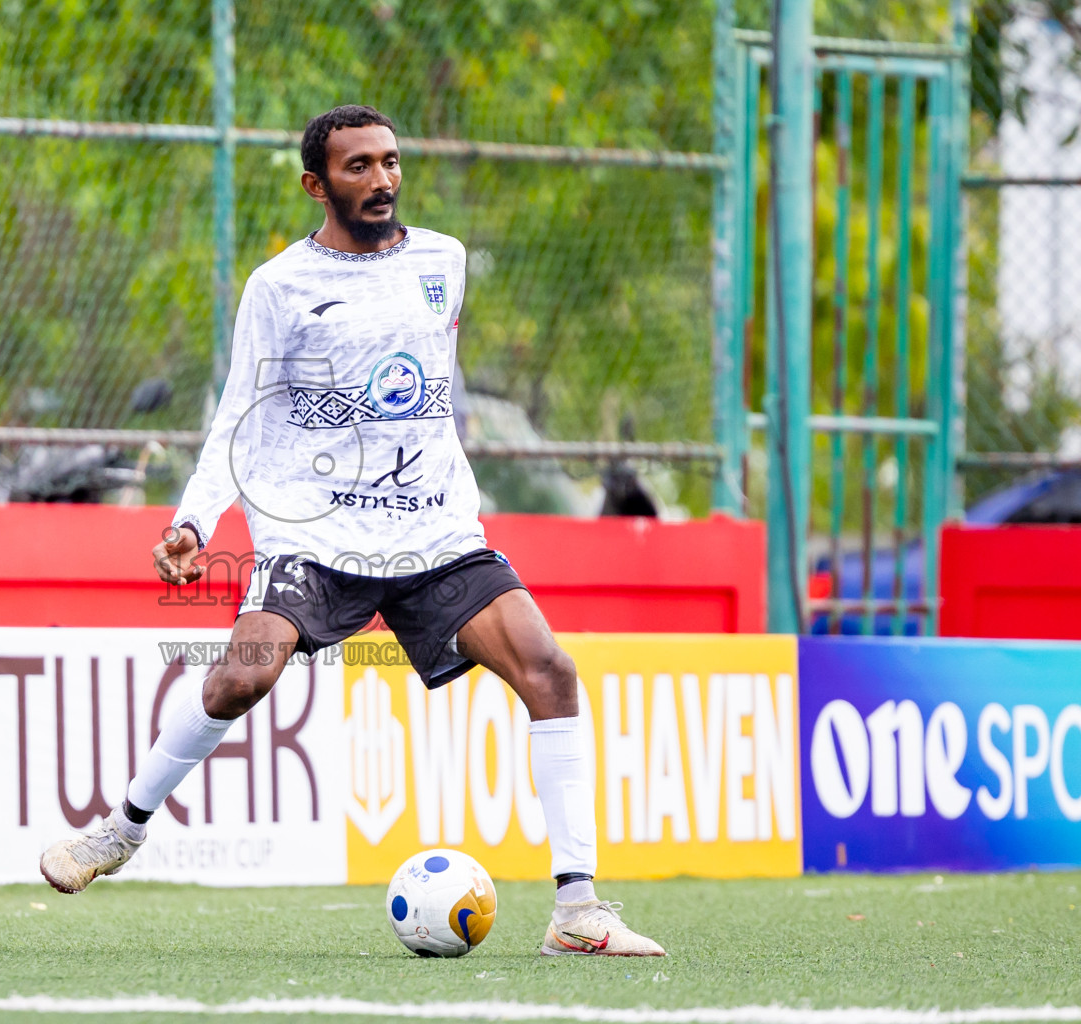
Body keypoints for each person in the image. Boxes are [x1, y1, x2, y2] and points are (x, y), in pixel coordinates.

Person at [39, 105, 665, 958]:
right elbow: (238, 417)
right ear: (316, 183)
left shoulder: (443, 261)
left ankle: (578, 910)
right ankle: (119, 831)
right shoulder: (279, 287)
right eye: (359, 167)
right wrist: (194, 518)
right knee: (239, 679)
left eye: (391, 162)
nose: (382, 180)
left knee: (550, 669)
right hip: (315, 530)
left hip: (432, 528)